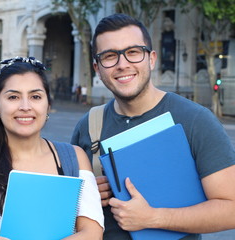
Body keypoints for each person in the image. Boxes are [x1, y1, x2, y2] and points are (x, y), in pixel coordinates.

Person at [71, 13, 235, 240]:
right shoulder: (88, 126)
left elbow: (230, 209)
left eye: (133, 52)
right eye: (110, 56)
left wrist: (153, 218)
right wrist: (84, 198)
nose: (122, 64)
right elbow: (69, 212)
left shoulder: (195, 120)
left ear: (151, 58)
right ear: (97, 68)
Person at [0, 56, 104, 240]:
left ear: (48, 105)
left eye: (35, 97)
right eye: (13, 97)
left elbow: (93, 234)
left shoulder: (74, 158)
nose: (25, 106)